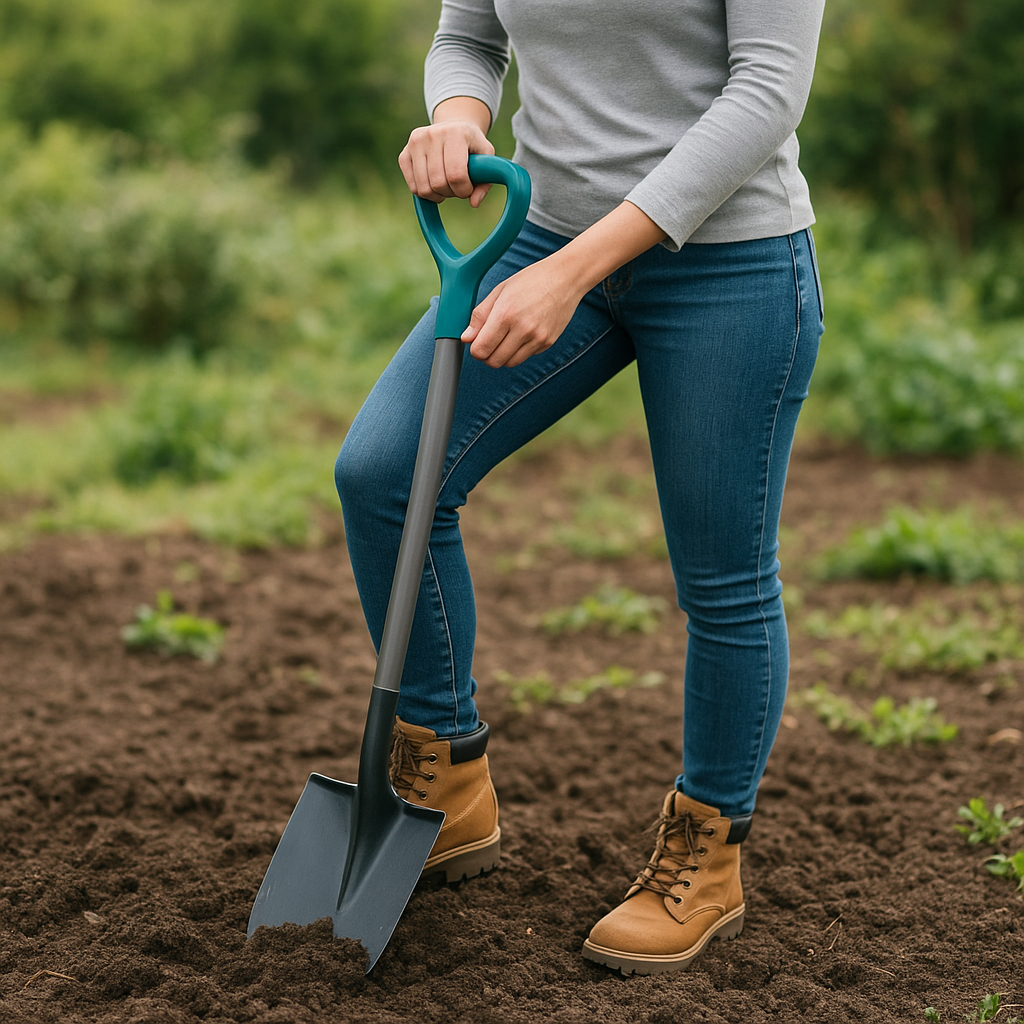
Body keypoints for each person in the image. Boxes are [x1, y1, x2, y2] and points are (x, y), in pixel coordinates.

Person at [335, 0, 825, 976]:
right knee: (386, 472)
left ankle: (706, 851)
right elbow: (470, 35)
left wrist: (574, 270)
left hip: (726, 260)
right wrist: (459, 118)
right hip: (545, 236)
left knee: (722, 574)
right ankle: (448, 773)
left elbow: (766, 90)